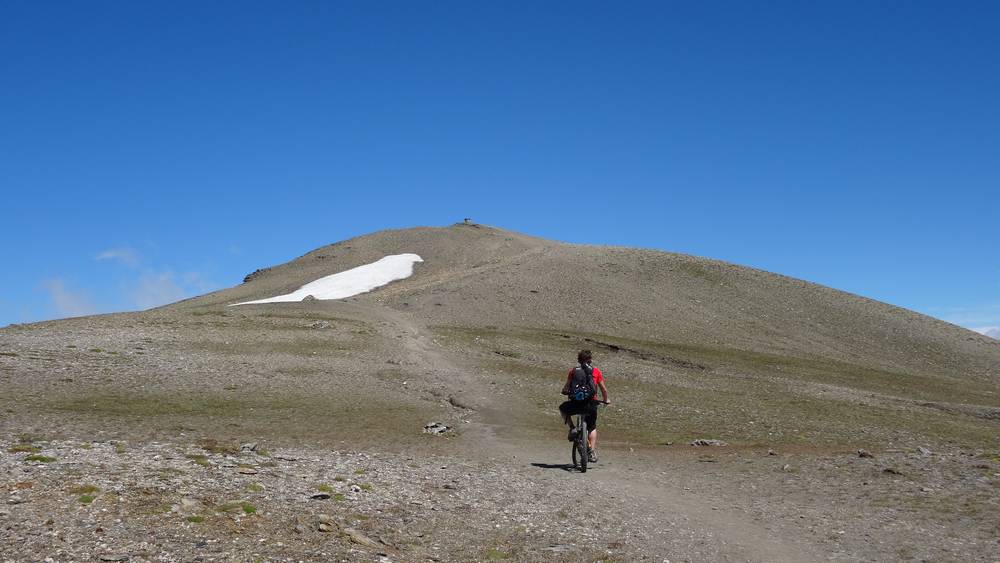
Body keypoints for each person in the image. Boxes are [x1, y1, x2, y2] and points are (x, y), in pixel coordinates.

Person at [559, 349, 610, 462]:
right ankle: (591, 451)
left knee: (563, 409)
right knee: (592, 427)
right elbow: (603, 389)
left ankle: (572, 428)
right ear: (590, 360)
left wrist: (564, 391)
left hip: (575, 404)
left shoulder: (573, 371)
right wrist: (606, 400)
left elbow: (567, 387)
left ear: (579, 360)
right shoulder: (596, 372)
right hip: (590, 404)